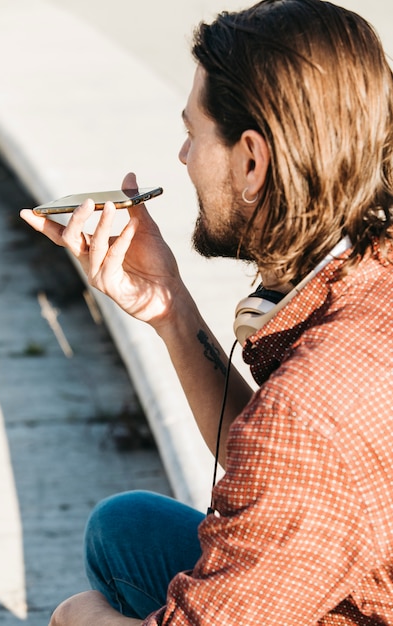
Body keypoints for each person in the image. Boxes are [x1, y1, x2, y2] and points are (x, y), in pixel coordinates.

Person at [20, 0, 393, 624]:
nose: (183, 157)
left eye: (193, 133)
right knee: (124, 528)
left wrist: (72, 619)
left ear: (252, 161)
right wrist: (170, 307)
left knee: (81, 610)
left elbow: (297, 446)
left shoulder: (310, 414)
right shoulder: (370, 265)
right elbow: (291, 469)